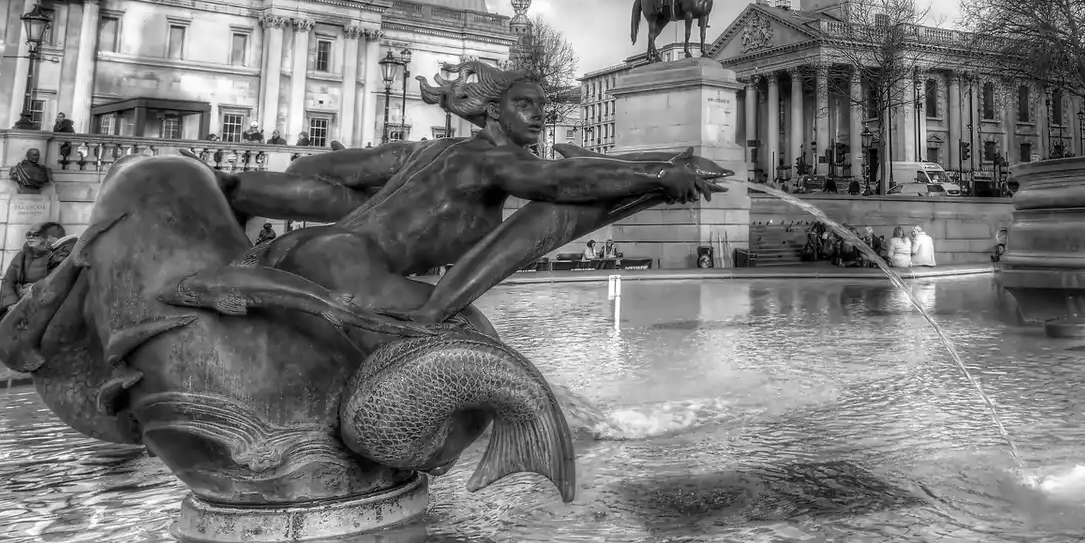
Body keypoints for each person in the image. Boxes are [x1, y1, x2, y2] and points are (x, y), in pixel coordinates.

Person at [209, 57, 723, 326]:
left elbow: (321, 167)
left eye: (542, 105)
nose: (540, 113)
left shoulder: (425, 154)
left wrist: (242, 193)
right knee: (469, 338)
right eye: (526, 104)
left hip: (299, 251)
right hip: (347, 271)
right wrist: (657, 180)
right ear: (495, 111)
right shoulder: (494, 160)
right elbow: (561, 182)